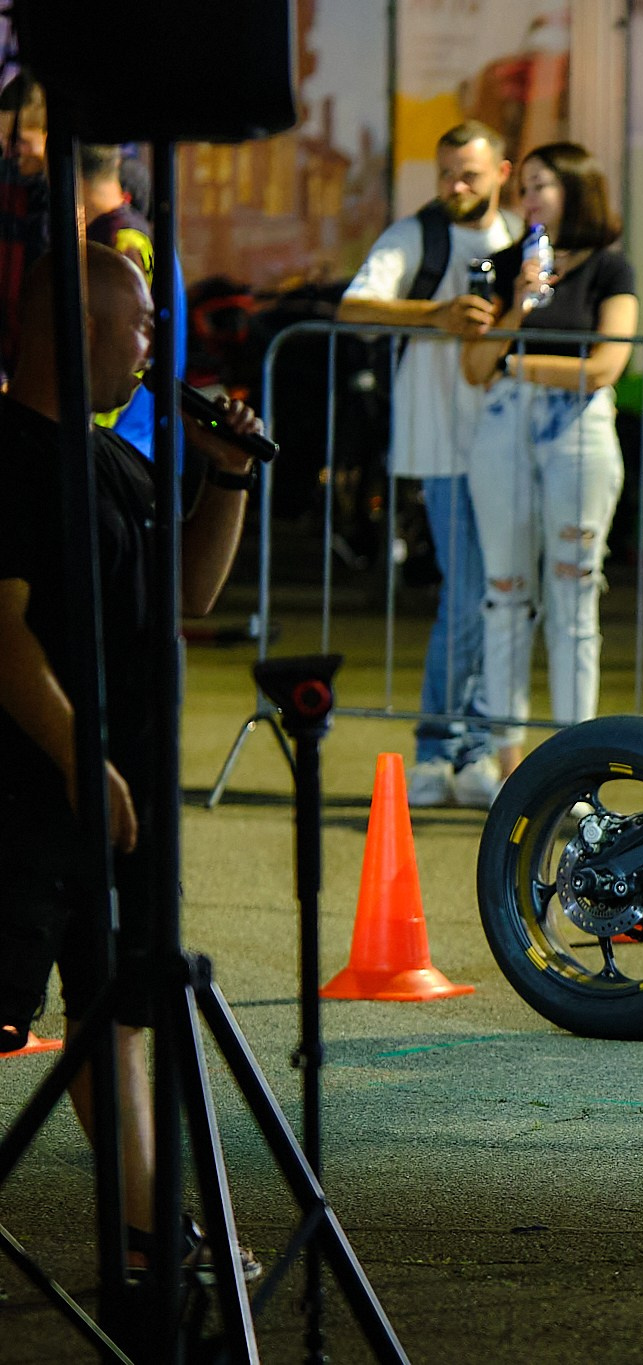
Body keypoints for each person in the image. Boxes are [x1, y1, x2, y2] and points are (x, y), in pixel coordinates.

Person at [0, 244, 264, 1282]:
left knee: (117, 1018)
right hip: (28, 801)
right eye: (145, 324)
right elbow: (3, 631)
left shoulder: (122, 460)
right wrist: (78, 753)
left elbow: (189, 594)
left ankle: (156, 1242)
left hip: (116, 803)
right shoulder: (16, 456)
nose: (158, 344)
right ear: (83, 329)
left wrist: (229, 475)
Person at [337, 120, 521, 809]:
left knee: (496, 597)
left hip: (508, 437)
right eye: (447, 172)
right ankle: (442, 743)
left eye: (469, 173)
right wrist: (435, 314)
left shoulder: (521, 243)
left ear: (503, 172)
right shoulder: (417, 234)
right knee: (470, 593)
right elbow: (354, 307)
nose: (455, 185)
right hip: (444, 442)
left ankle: (468, 744)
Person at [460, 141, 637, 782]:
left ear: (576, 190)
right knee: (504, 593)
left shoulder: (610, 269)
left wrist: (521, 364)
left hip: (578, 437)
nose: (529, 198)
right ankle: (509, 760)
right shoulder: (507, 265)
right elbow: (475, 366)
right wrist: (518, 306)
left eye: (543, 185)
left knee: (574, 592)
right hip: (504, 430)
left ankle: (575, 763)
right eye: (526, 187)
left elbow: (607, 365)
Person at [80, 143, 186, 453]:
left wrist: (90, 421)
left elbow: (122, 346)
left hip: (122, 441)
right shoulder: (130, 233)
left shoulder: (123, 242)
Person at [0, 73, 49, 388]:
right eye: (2, 141)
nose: (9, 154)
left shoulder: (78, 200)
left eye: (19, 143)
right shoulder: (8, 187)